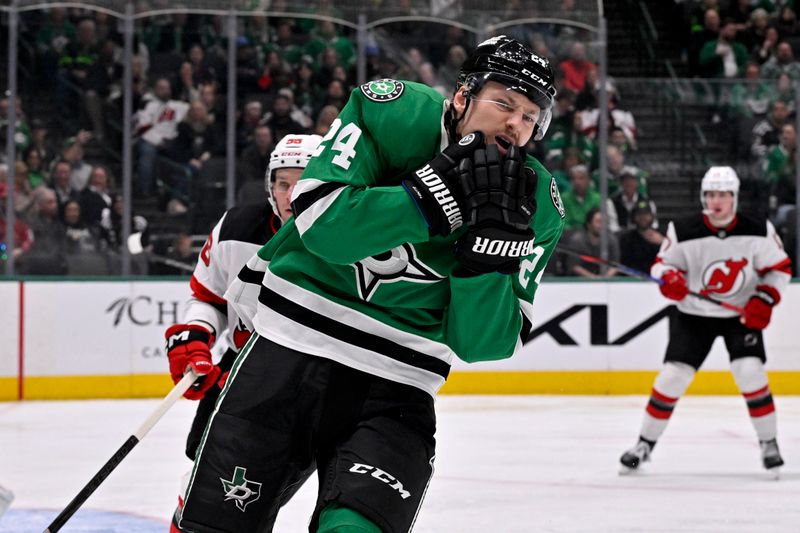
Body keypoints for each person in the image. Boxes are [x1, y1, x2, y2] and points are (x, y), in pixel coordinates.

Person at [174, 35, 565, 533]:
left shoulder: (537, 206)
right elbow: (321, 226)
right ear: (463, 96)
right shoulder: (392, 111)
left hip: (397, 389)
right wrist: (427, 198)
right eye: (504, 103)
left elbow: (485, 345)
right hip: (284, 355)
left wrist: (484, 266)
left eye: (531, 116)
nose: (516, 124)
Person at [165, 134, 322, 531]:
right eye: (282, 183)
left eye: (302, 183)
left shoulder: (350, 240)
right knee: (209, 494)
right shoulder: (236, 228)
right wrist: (195, 338)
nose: (290, 195)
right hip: (243, 378)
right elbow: (209, 297)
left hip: (320, 384)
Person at [619, 166, 792, 476]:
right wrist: (670, 278)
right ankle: (644, 444)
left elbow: (779, 268)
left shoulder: (758, 229)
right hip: (693, 315)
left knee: (750, 372)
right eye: (711, 194)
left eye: (724, 195)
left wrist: (764, 298)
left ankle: (769, 443)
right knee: (672, 377)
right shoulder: (683, 229)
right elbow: (662, 266)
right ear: (703, 197)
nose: (717, 201)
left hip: (739, 315)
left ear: (734, 198)